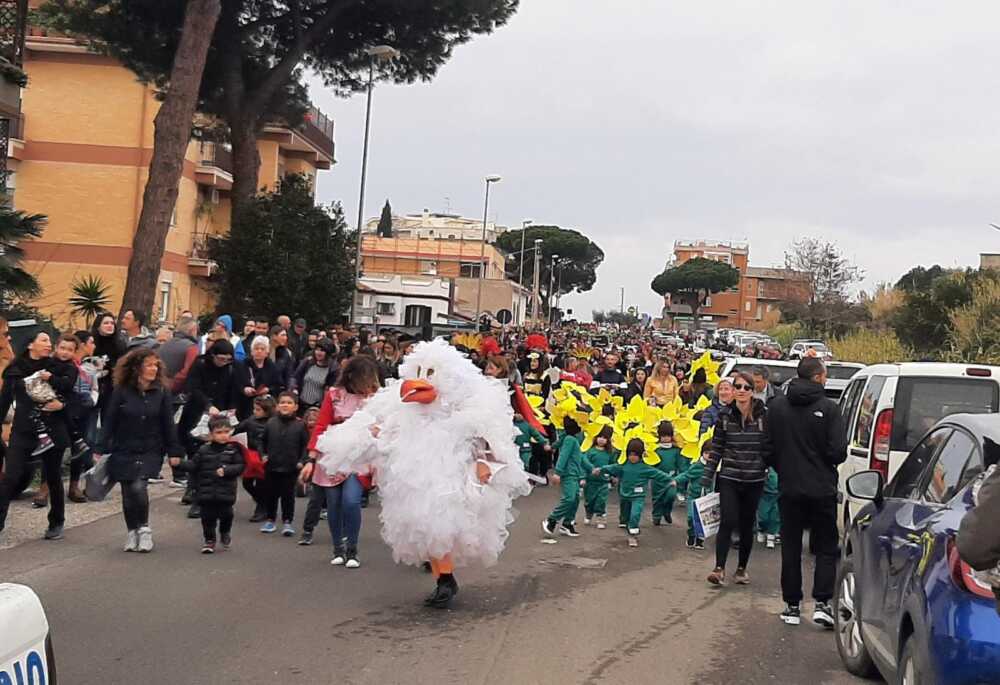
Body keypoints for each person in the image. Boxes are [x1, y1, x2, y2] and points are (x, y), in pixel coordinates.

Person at [765, 356, 846, 627]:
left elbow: (768, 448)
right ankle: (823, 603)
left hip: (789, 487)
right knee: (825, 546)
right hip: (822, 488)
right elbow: (838, 452)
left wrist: (785, 466)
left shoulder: (776, 407)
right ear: (818, 377)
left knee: (790, 546)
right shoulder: (829, 408)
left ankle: (791, 606)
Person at [96, 348, 184, 552]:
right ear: (137, 368)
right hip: (124, 447)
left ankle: (144, 530)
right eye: (149, 365)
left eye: (156, 365)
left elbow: (168, 423)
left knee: (138, 486)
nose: (154, 369)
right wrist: (100, 447)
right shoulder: (121, 391)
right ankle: (131, 532)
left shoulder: (161, 391)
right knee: (127, 492)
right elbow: (109, 421)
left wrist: (174, 451)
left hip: (151, 448)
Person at [299, 356, 381, 560]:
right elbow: (321, 425)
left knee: (351, 501)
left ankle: (352, 549)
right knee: (333, 503)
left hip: (359, 455)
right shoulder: (334, 394)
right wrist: (311, 459)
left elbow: (385, 423)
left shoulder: (375, 397)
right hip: (332, 455)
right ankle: (338, 548)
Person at [0, 332, 72, 539]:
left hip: (52, 428)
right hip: (23, 429)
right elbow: (4, 401)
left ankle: (56, 522)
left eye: (50, 341)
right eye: (44, 340)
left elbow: (71, 395)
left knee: (52, 477)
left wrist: (62, 404)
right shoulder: (14, 370)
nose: (49, 344)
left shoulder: (56, 368)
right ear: (31, 344)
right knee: (10, 476)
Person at [701, 371, 769, 587]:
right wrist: (708, 473)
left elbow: (771, 446)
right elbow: (717, 447)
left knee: (747, 524)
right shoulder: (724, 416)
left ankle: (741, 568)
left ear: (752, 391)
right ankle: (719, 568)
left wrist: (767, 466)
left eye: (746, 387)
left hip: (754, 478)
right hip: (729, 475)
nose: (741, 391)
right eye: (737, 386)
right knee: (728, 520)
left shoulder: (764, 415)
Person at [175, 339, 239, 510]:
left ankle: (200, 493)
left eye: (228, 359)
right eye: (221, 359)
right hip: (197, 412)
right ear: (213, 355)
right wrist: (207, 405)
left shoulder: (231, 368)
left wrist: (232, 408)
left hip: (219, 415)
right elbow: (193, 387)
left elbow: (233, 389)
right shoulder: (200, 364)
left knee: (210, 455)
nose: (224, 363)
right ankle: (191, 489)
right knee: (195, 453)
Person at [171, 415, 244, 553]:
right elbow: (194, 465)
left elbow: (240, 466)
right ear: (211, 434)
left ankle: (225, 532)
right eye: (219, 432)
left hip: (226, 491)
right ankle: (209, 540)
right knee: (207, 518)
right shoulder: (204, 450)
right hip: (205, 491)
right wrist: (179, 463)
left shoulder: (233, 449)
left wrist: (227, 470)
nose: (223, 436)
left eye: (226, 432)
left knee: (227, 515)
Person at [594, 438, 672, 547]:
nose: (632, 457)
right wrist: (601, 469)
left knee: (635, 514)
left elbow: (658, 474)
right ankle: (626, 525)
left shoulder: (645, 468)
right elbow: (612, 468)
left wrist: (671, 480)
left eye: (635, 455)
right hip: (625, 495)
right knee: (625, 517)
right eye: (630, 454)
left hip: (638, 497)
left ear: (641, 455)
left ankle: (633, 535)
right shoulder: (623, 466)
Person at [259, 392, 309, 536]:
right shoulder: (271, 422)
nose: (285, 405)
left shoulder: (300, 425)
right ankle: (270, 520)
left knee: (288, 496)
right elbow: (262, 441)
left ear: (295, 407)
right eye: (282, 402)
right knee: (271, 494)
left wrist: (302, 461)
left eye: (289, 402)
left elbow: (306, 445)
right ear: (277, 406)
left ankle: (287, 521)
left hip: (291, 466)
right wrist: (263, 455)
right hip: (272, 465)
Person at [542, 417, 592, 538]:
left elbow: (580, 457)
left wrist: (591, 468)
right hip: (569, 473)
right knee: (570, 498)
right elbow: (563, 456)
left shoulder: (570, 438)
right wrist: (558, 472)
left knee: (574, 498)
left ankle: (567, 523)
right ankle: (551, 520)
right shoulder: (571, 439)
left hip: (574, 474)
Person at [67, 330, 99, 502]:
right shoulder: (68, 364)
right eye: (91, 342)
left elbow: (94, 387)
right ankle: (46, 487)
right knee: (56, 448)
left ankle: (74, 485)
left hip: (83, 411)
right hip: (65, 410)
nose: (94, 346)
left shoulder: (89, 366)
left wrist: (92, 401)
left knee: (79, 447)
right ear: (82, 344)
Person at [233, 395, 274, 522]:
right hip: (251, 455)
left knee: (262, 483)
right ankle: (262, 502)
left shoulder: (273, 423)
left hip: (265, 456)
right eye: (254, 409)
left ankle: (261, 508)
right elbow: (237, 428)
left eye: (258, 410)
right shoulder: (250, 421)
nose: (254, 412)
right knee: (247, 482)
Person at [234, 336, 283, 420]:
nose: (259, 351)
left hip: (265, 405)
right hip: (245, 404)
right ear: (252, 351)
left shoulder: (272, 367)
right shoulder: (242, 365)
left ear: (267, 352)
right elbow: (235, 383)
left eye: (262, 349)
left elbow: (278, 385)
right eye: (256, 348)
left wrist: (268, 389)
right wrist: (244, 389)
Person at [675, 439, 709, 549]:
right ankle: (691, 535)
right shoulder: (697, 466)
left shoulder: (715, 467)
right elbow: (686, 475)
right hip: (694, 496)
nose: (708, 456)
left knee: (704, 520)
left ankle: (699, 540)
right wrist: (676, 480)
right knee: (691, 517)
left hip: (706, 497)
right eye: (706, 453)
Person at [290, 338, 338, 412]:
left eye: (322, 350)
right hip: (300, 404)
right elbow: (295, 377)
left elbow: (331, 390)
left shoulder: (332, 369)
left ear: (328, 353)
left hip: (317, 408)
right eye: (317, 349)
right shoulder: (307, 362)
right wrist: (294, 389)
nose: (318, 352)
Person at [652, 421, 685, 526]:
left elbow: (681, 465)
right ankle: (656, 516)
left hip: (671, 479)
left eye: (668, 436)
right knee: (657, 499)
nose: (665, 438)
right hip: (658, 480)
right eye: (663, 436)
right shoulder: (655, 450)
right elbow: (651, 465)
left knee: (670, 496)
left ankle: (666, 512)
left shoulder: (676, 450)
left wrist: (682, 477)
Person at [582, 425, 614, 528]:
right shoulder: (590, 452)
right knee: (589, 500)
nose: (601, 439)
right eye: (600, 436)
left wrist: (614, 476)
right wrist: (582, 478)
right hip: (590, 482)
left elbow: (613, 465)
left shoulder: (609, 453)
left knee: (601, 501)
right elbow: (584, 465)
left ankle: (600, 517)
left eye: (605, 438)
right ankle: (589, 513)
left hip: (603, 482)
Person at [159, 316, 200, 390]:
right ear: (192, 330)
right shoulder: (192, 347)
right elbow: (188, 371)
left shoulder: (165, 344)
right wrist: (172, 385)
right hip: (179, 393)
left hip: (161, 388)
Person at [757, 467, 780, 549]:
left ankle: (771, 537)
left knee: (775, 517)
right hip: (764, 495)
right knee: (763, 517)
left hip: (777, 494)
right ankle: (762, 529)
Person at [269, 324, 295, 390]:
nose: (285, 338)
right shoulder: (265, 349)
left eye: (286, 335)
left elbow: (289, 374)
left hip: (279, 388)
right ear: (274, 336)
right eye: (283, 335)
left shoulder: (286, 353)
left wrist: (289, 389)